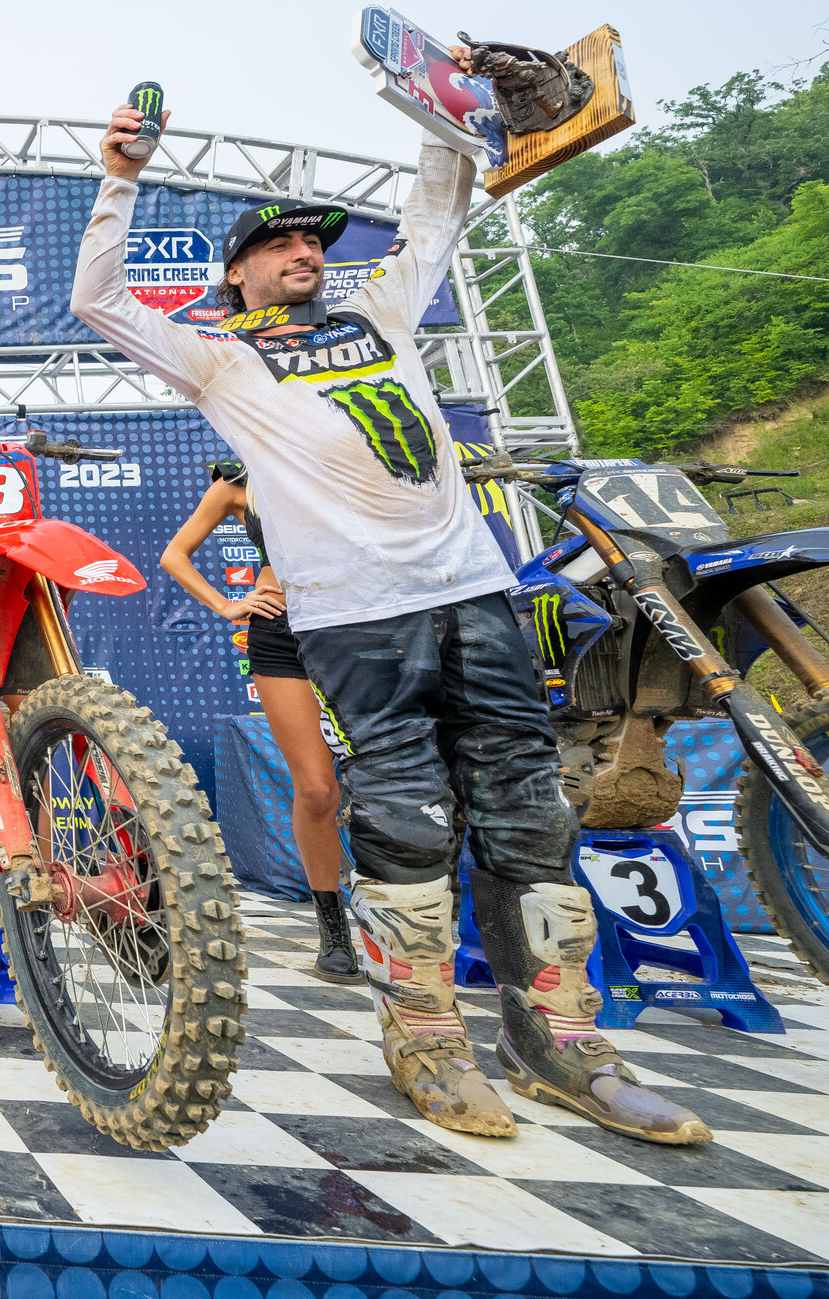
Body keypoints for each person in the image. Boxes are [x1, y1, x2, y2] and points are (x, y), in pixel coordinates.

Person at [70, 88, 707, 1145]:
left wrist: (441, 111)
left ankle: (559, 1037)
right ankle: (423, 1036)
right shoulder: (218, 355)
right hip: (354, 616)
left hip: (472, 590)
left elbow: (437, 213)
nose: (300, 254)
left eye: (310, 241)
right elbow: (98, 302)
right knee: (404, 819)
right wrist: (123, 176)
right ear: (236, 273)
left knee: (529, 810)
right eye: (275, 246)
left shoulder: (380, 313)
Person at [158, 461, 358, 982]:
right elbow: (173, 556)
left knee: (384, 782)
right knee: (317, 791)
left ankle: (402, 915)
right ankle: (333, 926)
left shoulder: (349, 451)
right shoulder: (238, 481)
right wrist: (227, 603)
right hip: (281, 631)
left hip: (361, 626)